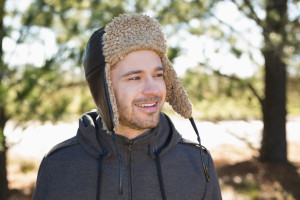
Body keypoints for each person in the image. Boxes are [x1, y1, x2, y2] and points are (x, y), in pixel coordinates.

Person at [33, 13, 222, 200]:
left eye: (158, 75)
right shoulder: (58, 165)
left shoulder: (197, 162)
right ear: (104, 87)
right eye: (135, 78)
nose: (153, 90)